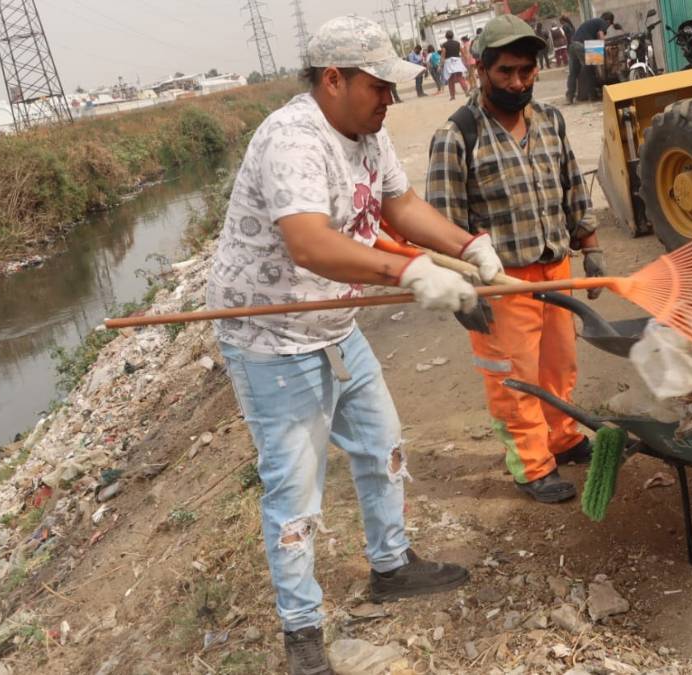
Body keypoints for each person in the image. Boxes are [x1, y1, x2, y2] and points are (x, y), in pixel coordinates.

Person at [207, 15, 504, 674]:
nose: (389, 100)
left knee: (384, 444)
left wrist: (464, 245)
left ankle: (391, 564)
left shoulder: (366, 134)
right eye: (378, 86)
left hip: (333, 323)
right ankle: (303, 636)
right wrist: (406, 271)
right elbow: (310, 241)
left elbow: (398, 207)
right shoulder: (292, 138)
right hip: (271, 335)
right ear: (332, 78)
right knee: (294, 492)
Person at [425, 14, 606, 504]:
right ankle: (531, 465)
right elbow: (443, 222)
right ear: (480, 69)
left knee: (560, 366)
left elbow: (571, 186)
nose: (518, 82)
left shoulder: (549, 120)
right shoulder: (457, 134)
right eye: (505, 72)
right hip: (501, 282)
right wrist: (460, 292)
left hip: (555, 269)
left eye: (526, 71)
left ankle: (562, 438)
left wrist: (589, 246)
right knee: (514, 378)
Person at [567, 10, 612, 103]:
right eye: (609, 25)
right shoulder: (602, 22)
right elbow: (600, 35)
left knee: (573, 72)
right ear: (608, 21)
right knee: (590, 69)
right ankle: (592, 95)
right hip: (582, 45)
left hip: (573, 45)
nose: (607, 28)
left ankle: (569, 97)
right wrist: (605, 46)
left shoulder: (593, 23)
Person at [441, 30, 470, 100]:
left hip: (449, 62)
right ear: (453, 36)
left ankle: (452, 96)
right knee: (460, 77)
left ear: (446, 37)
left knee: (450, 79)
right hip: (457, 61)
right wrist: (466, 60)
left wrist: (441, 64)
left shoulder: (444, 45)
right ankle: (466, 91)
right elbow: (463, 53)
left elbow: (443, 55)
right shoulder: (457, 43)